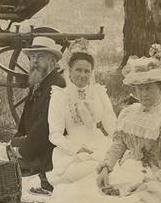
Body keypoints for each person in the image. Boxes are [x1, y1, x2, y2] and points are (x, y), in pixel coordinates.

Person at [41, 44, 161, 203]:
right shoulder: (130, 112)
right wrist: (106, 167)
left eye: (148, 88)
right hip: (129, 168)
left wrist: (152, 182)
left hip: (160, 176)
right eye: (139, 89)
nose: (143, 94)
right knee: (89, 193)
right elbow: (119, 144)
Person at [47, 39, 115, 185]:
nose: (82, 75)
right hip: (73, 146)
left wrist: (119, 147)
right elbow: (55, 134)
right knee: (81, 172)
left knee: (114, 168)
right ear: (69, 71)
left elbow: (112, 125)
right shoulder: (60, 96)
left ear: (91, 73)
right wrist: (76, 149)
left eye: (87, 71)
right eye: (78, 70)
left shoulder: (99, 92)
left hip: (98, 142)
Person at [10, 36, 66, 183]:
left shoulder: (57, 84)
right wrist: (17, 139)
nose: (35, 61)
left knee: (5, 164)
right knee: (2, 153)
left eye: (40, 57)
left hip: (46, 151)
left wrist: (22, 152)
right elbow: (26, 119)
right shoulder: (39, 80)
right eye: (32, 57)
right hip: (33, 144)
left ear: (52, 61)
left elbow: (45, 126)